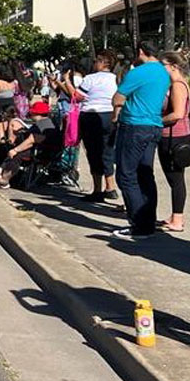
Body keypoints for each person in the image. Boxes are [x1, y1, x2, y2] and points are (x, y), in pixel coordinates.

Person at [110, 41, 172, 239]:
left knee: (126, 175)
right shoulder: (163, 72)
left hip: (135, 125)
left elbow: (118, 97)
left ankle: (139, 223)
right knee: (145, 174)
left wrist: (119, 105)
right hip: (154, 125)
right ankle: (148, 221)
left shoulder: (138, 71)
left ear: (140, 52)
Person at [73, 51, 119, 203]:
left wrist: (67, 82)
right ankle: (110, 186)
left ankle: (98, 189)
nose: (94, 64)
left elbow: (77, 96)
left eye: (96, 61)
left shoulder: (90, 78)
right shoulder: (115, 79)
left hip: (91, 115)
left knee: (93, 151)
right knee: (107, 150)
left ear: (102, 62)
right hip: (109, 115)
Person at [158, 51, 190, 233]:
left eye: (162, 65)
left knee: (176, 178)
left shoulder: (178, 85)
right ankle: (175, 216)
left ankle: (177, 219)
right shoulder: (175, 84)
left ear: (173, 66)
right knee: (175, 178)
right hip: (174, 135)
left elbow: (177, 114)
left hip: (174, 136)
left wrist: (156, 121)